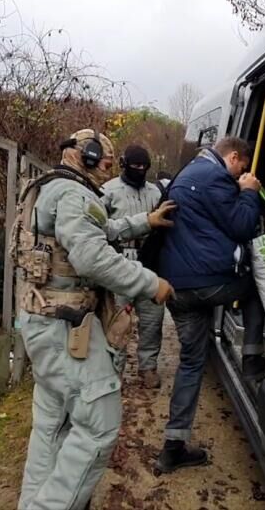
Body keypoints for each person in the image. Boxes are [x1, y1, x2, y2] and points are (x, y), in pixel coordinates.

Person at [14, 129, 175, 510]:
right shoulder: (73, 193)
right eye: (105, 160)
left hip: (41, 322)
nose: (109, 167)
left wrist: (145, 222)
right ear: (86, 156)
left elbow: (101, 231)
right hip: (66, 329)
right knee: (99, 426)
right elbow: (92, 257)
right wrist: (150, 283)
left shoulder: (49, 188)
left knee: (51, 428)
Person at [155, 136, 265, 473]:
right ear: (234, 157)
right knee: (255, 287)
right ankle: (251, 357)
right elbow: (242, 226)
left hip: (177, 288)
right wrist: (248, 192)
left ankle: (172, 448)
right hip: (207, 284)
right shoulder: (217, 177)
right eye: (241, 168)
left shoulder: (187, 172)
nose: (240, 174)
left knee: (191, 363)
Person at [101, 145, 166, 388]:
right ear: (123, 164)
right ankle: (113, 371)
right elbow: (99, 227)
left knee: (152, 320)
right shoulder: (108, 191)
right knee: (118, 321)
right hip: (119, 265)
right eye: (135, 166)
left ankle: (148, 367)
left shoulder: (156, 193)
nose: (139, 170)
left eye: (144, 167)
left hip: (149, 265)